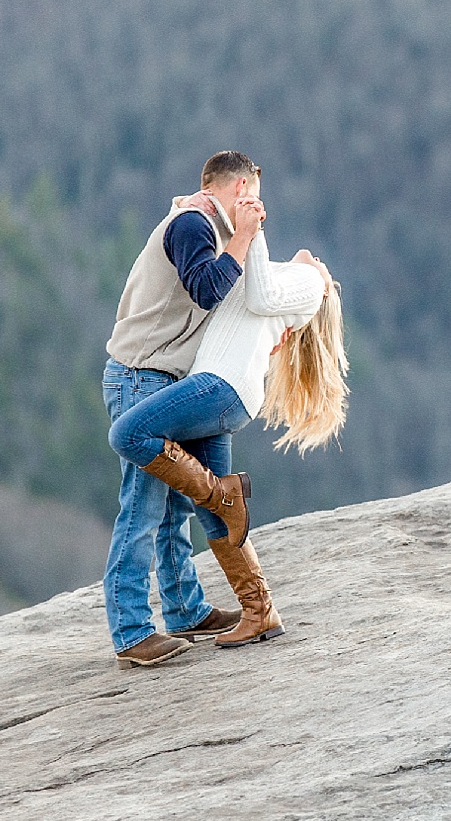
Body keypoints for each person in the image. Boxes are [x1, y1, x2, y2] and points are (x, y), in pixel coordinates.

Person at [108, 213, 346, 648]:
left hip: (219, 387)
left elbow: (260, 293)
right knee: (210, 512)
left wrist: (250, 230)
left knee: (127, 434)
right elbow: (222, 282)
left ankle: (221, 494)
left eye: (322, 262)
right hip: (218, 389)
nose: (316, 256)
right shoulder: (279, 277)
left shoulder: (310, 284)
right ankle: (260, 611)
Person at [100, 151, 265, 669]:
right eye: (255, 197)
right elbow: (207, 287)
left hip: (164, 377)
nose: (259, 209)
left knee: (174, 507)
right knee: (144, 506)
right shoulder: (193, 223)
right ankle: (130, 631)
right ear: (239, 188)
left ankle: (185, 611)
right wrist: (241, 238)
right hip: (140, 377)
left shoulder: (203, 225)